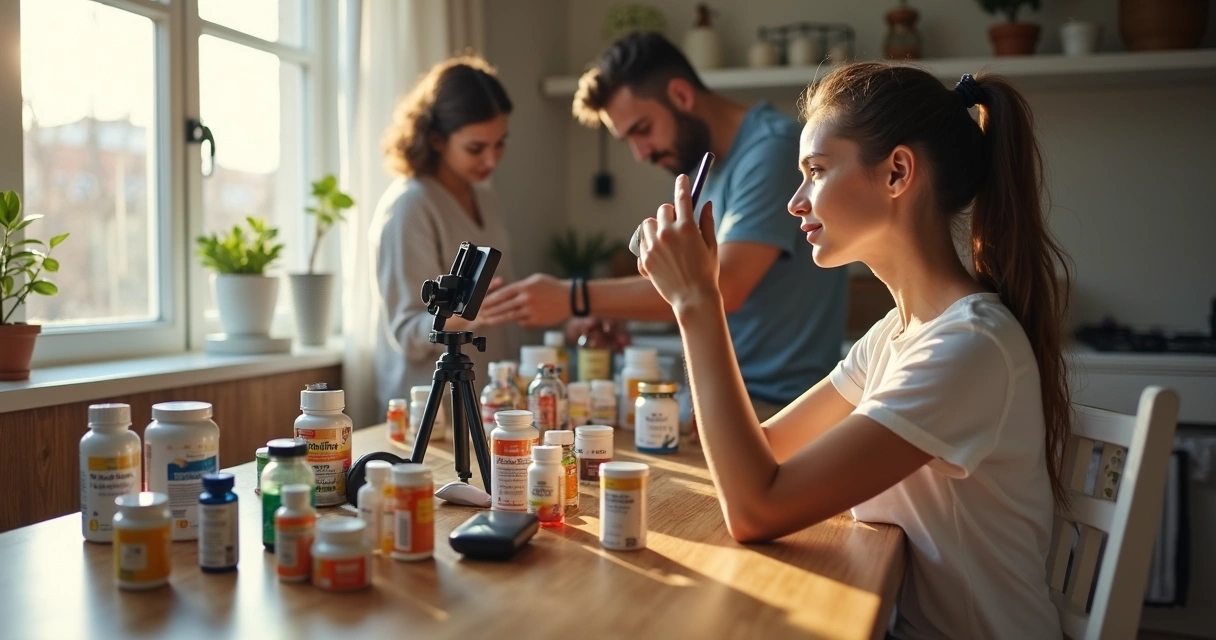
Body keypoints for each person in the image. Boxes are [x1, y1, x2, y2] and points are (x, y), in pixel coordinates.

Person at [634, 63, 1072, 639]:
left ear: (896, 173)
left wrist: (697, 301)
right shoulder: (898, 334)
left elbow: (756, 509)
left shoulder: (967, 347)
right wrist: (697, 296)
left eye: (815, 170)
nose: (796, 202)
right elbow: (766, 452)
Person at [479, 32, 847, 420]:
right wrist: (620, 310)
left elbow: (723, 286)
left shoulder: (772, 150)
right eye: (628, 141)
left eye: (641, 129)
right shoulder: (705, 168)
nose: (641, 153)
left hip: (781, 404)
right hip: (729, 396)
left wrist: (574, 296)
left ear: (681, 95)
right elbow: (689, 284)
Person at [369, 56, 518, 413]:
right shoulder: (410, 206)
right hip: (427, 413)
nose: (492, 160)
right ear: (437, 139)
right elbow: (407, 332)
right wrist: (475, 310)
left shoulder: (486, 199)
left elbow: (501, 296)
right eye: (476, 148)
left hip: (483, 404)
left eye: (500, 143)